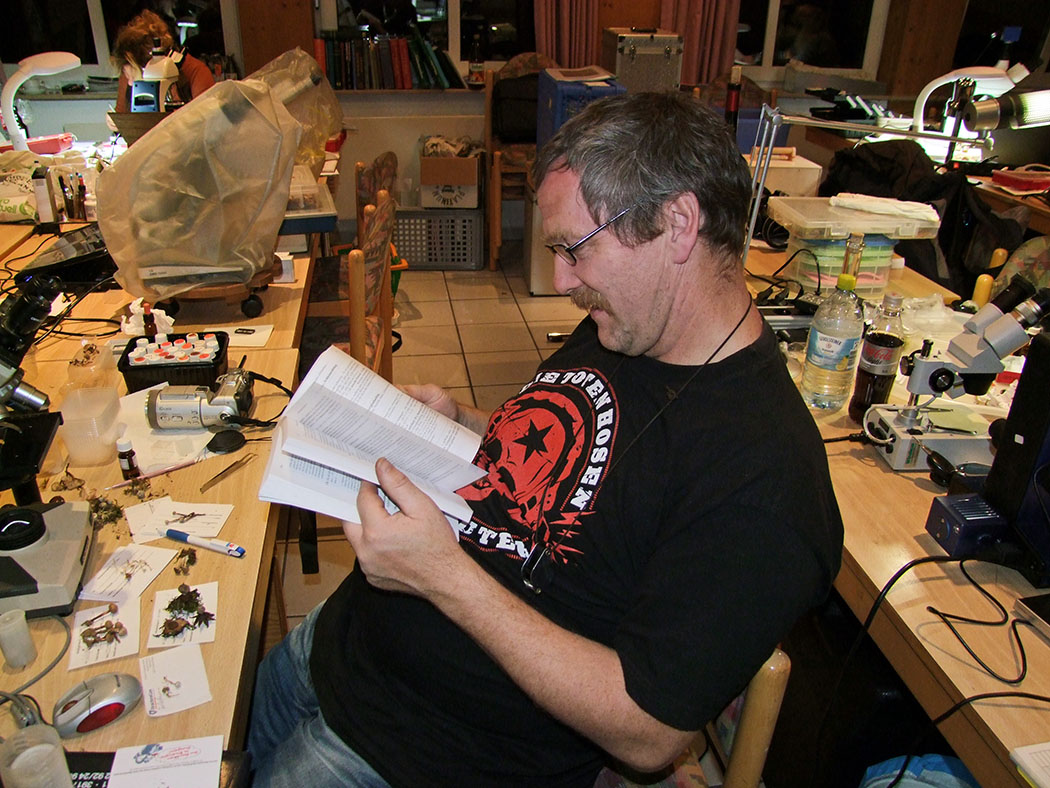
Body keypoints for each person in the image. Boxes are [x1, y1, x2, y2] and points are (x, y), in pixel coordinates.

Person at [248, 92, 844, 788]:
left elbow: (648, 733)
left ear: (678, 225)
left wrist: (443, 577)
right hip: (337, 641)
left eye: (574, 249)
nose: (562, 280)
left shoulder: (765, 477)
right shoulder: (630, 323)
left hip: (415, 756)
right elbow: (579, 456)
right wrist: (468, 421)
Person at [111, 9, 215, 113]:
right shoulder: (128, 74)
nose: (130, 82)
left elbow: (205, 119)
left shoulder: (196, 73)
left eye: (132, 77)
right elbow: (121, 114)